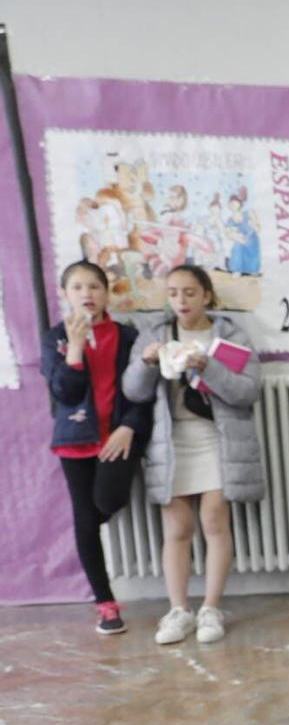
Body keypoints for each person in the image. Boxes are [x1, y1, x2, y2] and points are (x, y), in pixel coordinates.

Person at [123, 263, 263, 645]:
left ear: (206, 296)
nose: (180, 300)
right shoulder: (153, 334)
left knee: (216, 522)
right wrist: (147, 362)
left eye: (189, 292)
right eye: (173, 293)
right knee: (177, 528)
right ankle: (178, 611)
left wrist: (209, 366)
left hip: (219, 440)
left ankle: (210, 609)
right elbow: (133, 391)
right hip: (170, 444)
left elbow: (248, 392)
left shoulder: (230, 334)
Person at [40, 261, 150, 635]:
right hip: (76, 441)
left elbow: (143, 390)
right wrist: (74, 347)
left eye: (94, 286)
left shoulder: (128, 336)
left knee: (107, 502)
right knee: (85, 523)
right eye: (77, 287)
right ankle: (106, 605)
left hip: (118, 438)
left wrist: (129, 427)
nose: (87, 294)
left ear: (107, 292)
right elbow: (64, 393)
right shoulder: (54, 336)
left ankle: (104, 597)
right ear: (65, 294)